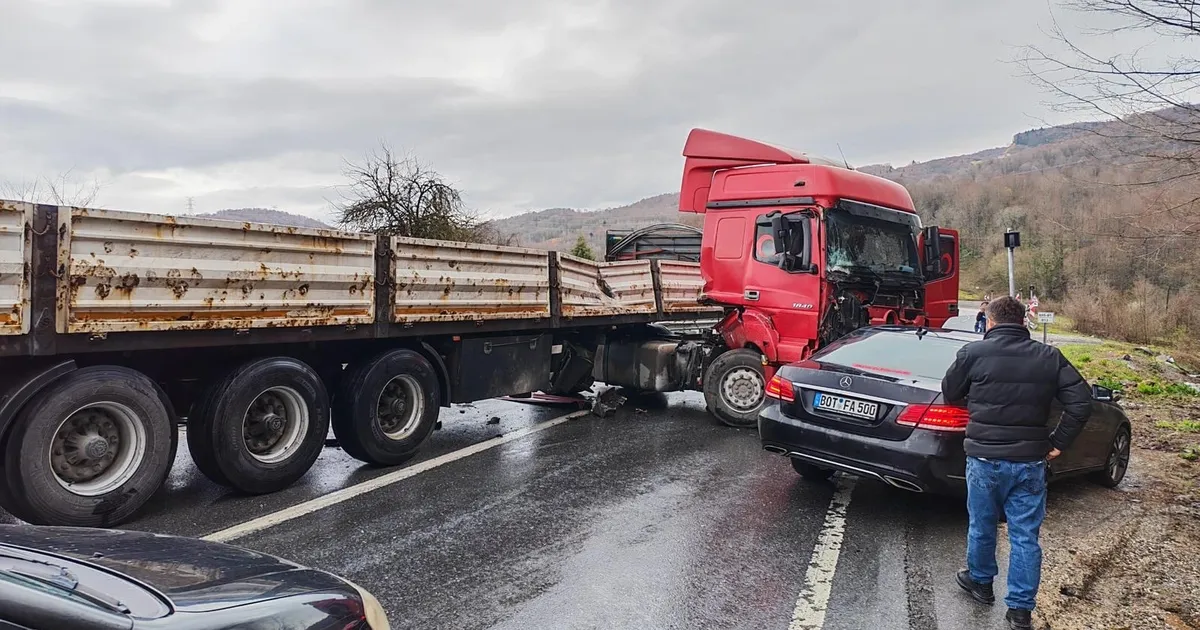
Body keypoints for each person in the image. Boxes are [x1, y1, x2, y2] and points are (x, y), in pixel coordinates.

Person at [941, 297, 1092, 630]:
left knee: (982, 525)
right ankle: (1020, 612)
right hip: (1029, 463)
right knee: (1025, 536)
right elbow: (1081, 402)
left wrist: (978, 405)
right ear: (1024, 322)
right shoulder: (1049, 357)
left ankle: (981, 584)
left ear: (990, 322)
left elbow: (950, 392)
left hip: (984, 457)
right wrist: (1057, 444)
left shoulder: (973, 353)